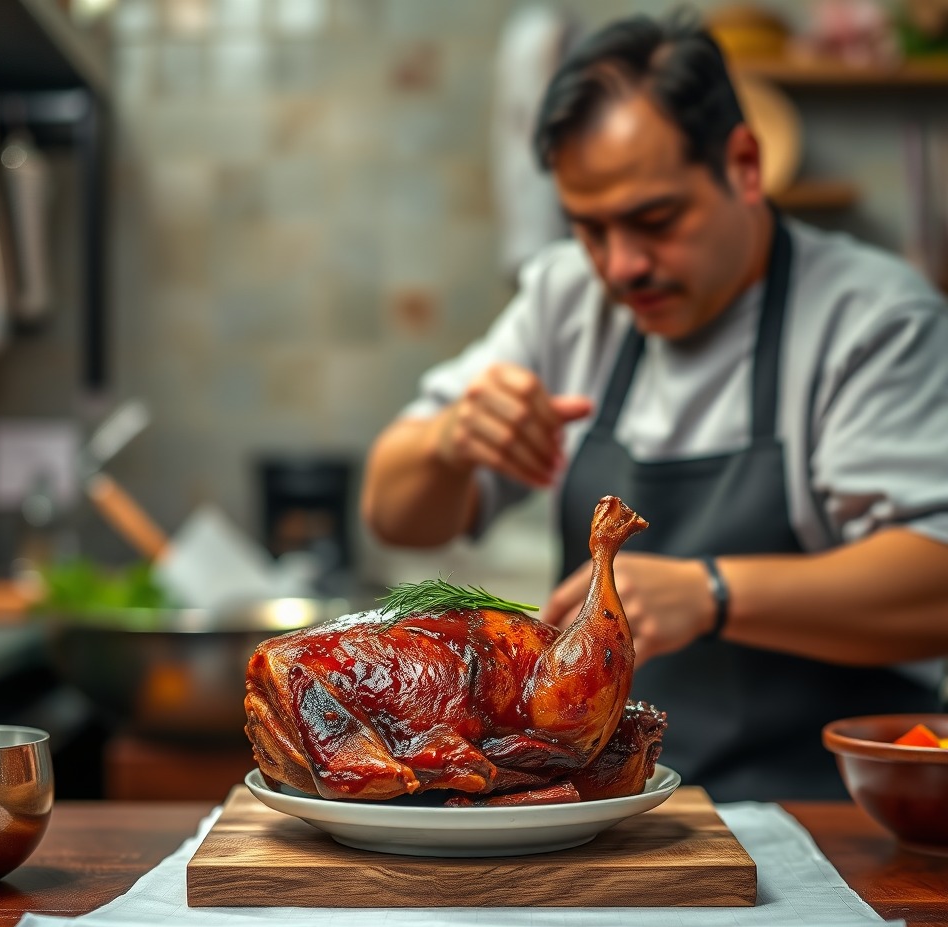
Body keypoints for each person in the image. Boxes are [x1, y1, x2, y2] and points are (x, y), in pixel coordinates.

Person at [359, 12, 948, 801]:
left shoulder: (872, 321)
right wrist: (448, 442)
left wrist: (712, 593)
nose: (622, 264)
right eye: (591, 229)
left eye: (655, 220)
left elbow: (933, 583)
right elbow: (394, 513)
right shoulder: (568, 297)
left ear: (744, 164)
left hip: (817, 818)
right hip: (601, 819)